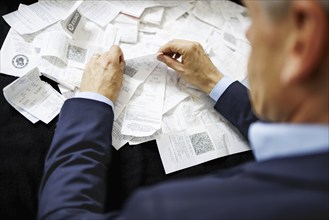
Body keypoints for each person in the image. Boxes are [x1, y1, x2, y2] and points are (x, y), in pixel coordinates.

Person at [38, 0, 329, 219]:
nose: (250, 34)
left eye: (254, 18)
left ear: (303, 39)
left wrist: (91, 102)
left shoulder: (169, 209)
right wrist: (213, 81)